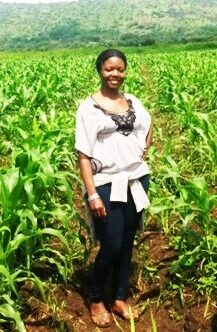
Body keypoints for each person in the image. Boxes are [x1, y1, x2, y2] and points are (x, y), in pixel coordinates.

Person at [75, 49, 152, 328]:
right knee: (112, 244)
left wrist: (142, 150)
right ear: (100, 70)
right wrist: (92, 192)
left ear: (125, 71)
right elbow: (83, 155)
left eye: (120, 69)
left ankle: (119, 297)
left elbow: (147, 126)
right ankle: (96, 298)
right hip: (106, 184)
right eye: (109, 69)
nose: (115, 74)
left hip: (136, 180)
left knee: (128, 242)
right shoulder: (89, 107)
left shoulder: (133, 101)